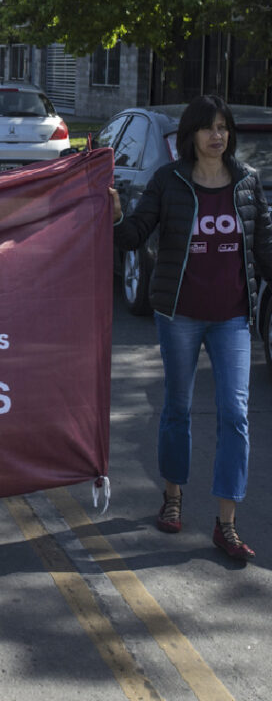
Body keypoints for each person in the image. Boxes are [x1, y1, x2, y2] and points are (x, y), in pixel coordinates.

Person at [111, 95, 272, 561]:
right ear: (191, 135)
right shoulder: (169, 181)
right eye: (208, 128)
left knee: (235, 415)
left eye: (223, 127)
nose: (217, 135)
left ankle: (227, 523)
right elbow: (133, 236)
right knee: (177, 409)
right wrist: (117, 211)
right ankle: (173, 497)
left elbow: (264, 251)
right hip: (178, 315)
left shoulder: (247, 183)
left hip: (233, 319)